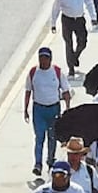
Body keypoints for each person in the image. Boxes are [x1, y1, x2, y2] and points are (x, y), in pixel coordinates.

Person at [24, 46, 71, 176]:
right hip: (39, 109)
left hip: (54, 108)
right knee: (39, 138)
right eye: (41, 58)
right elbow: (28, 91)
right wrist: (25, 109)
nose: (43, 61)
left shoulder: (57, 72)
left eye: (46, 58)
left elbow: (66, 91)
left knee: (52, 137)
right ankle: (37, 164)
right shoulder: (33, 72)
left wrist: (67, 108)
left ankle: (50, 160)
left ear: (50, 59)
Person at [49, 0, 96, 76]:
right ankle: (71, 68)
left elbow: (89, 3)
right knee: (68, 43)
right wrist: (53, 23)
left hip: (79, 19)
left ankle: (75, 57)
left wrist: (93, 17)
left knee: (82, 42)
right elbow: (55, 9)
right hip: (67, 20)